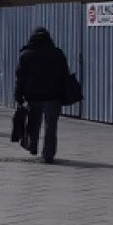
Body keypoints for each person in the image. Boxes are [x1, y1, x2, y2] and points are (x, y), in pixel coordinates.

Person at [14, 26, 70, 163]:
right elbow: (65, 75)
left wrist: (18, 95)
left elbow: (20, 78)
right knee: (51, 127)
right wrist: (64, 93)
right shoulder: (57, 54)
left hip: (33, 96)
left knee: (33, 123)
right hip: (54, 96)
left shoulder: (26, 54)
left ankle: (32, 147)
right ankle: (48, 154)